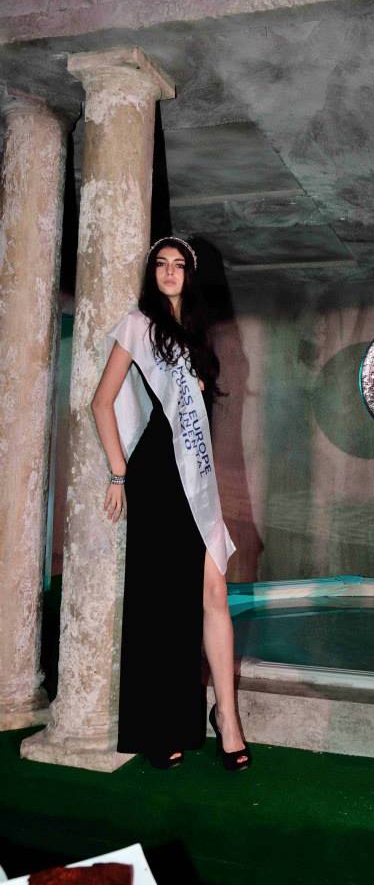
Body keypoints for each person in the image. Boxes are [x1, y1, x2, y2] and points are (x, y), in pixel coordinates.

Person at [91, 236, 251, 771]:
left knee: (214, 591)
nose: (169, 272)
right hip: (157, 476)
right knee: (158, 603)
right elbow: (101, 402)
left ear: (190, 275)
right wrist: (118, 472)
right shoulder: (139, 325)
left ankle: (227, 717)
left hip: (195, 479)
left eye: (178, 265)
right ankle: (158, 725)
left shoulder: (199, 335)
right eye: (160, 264)